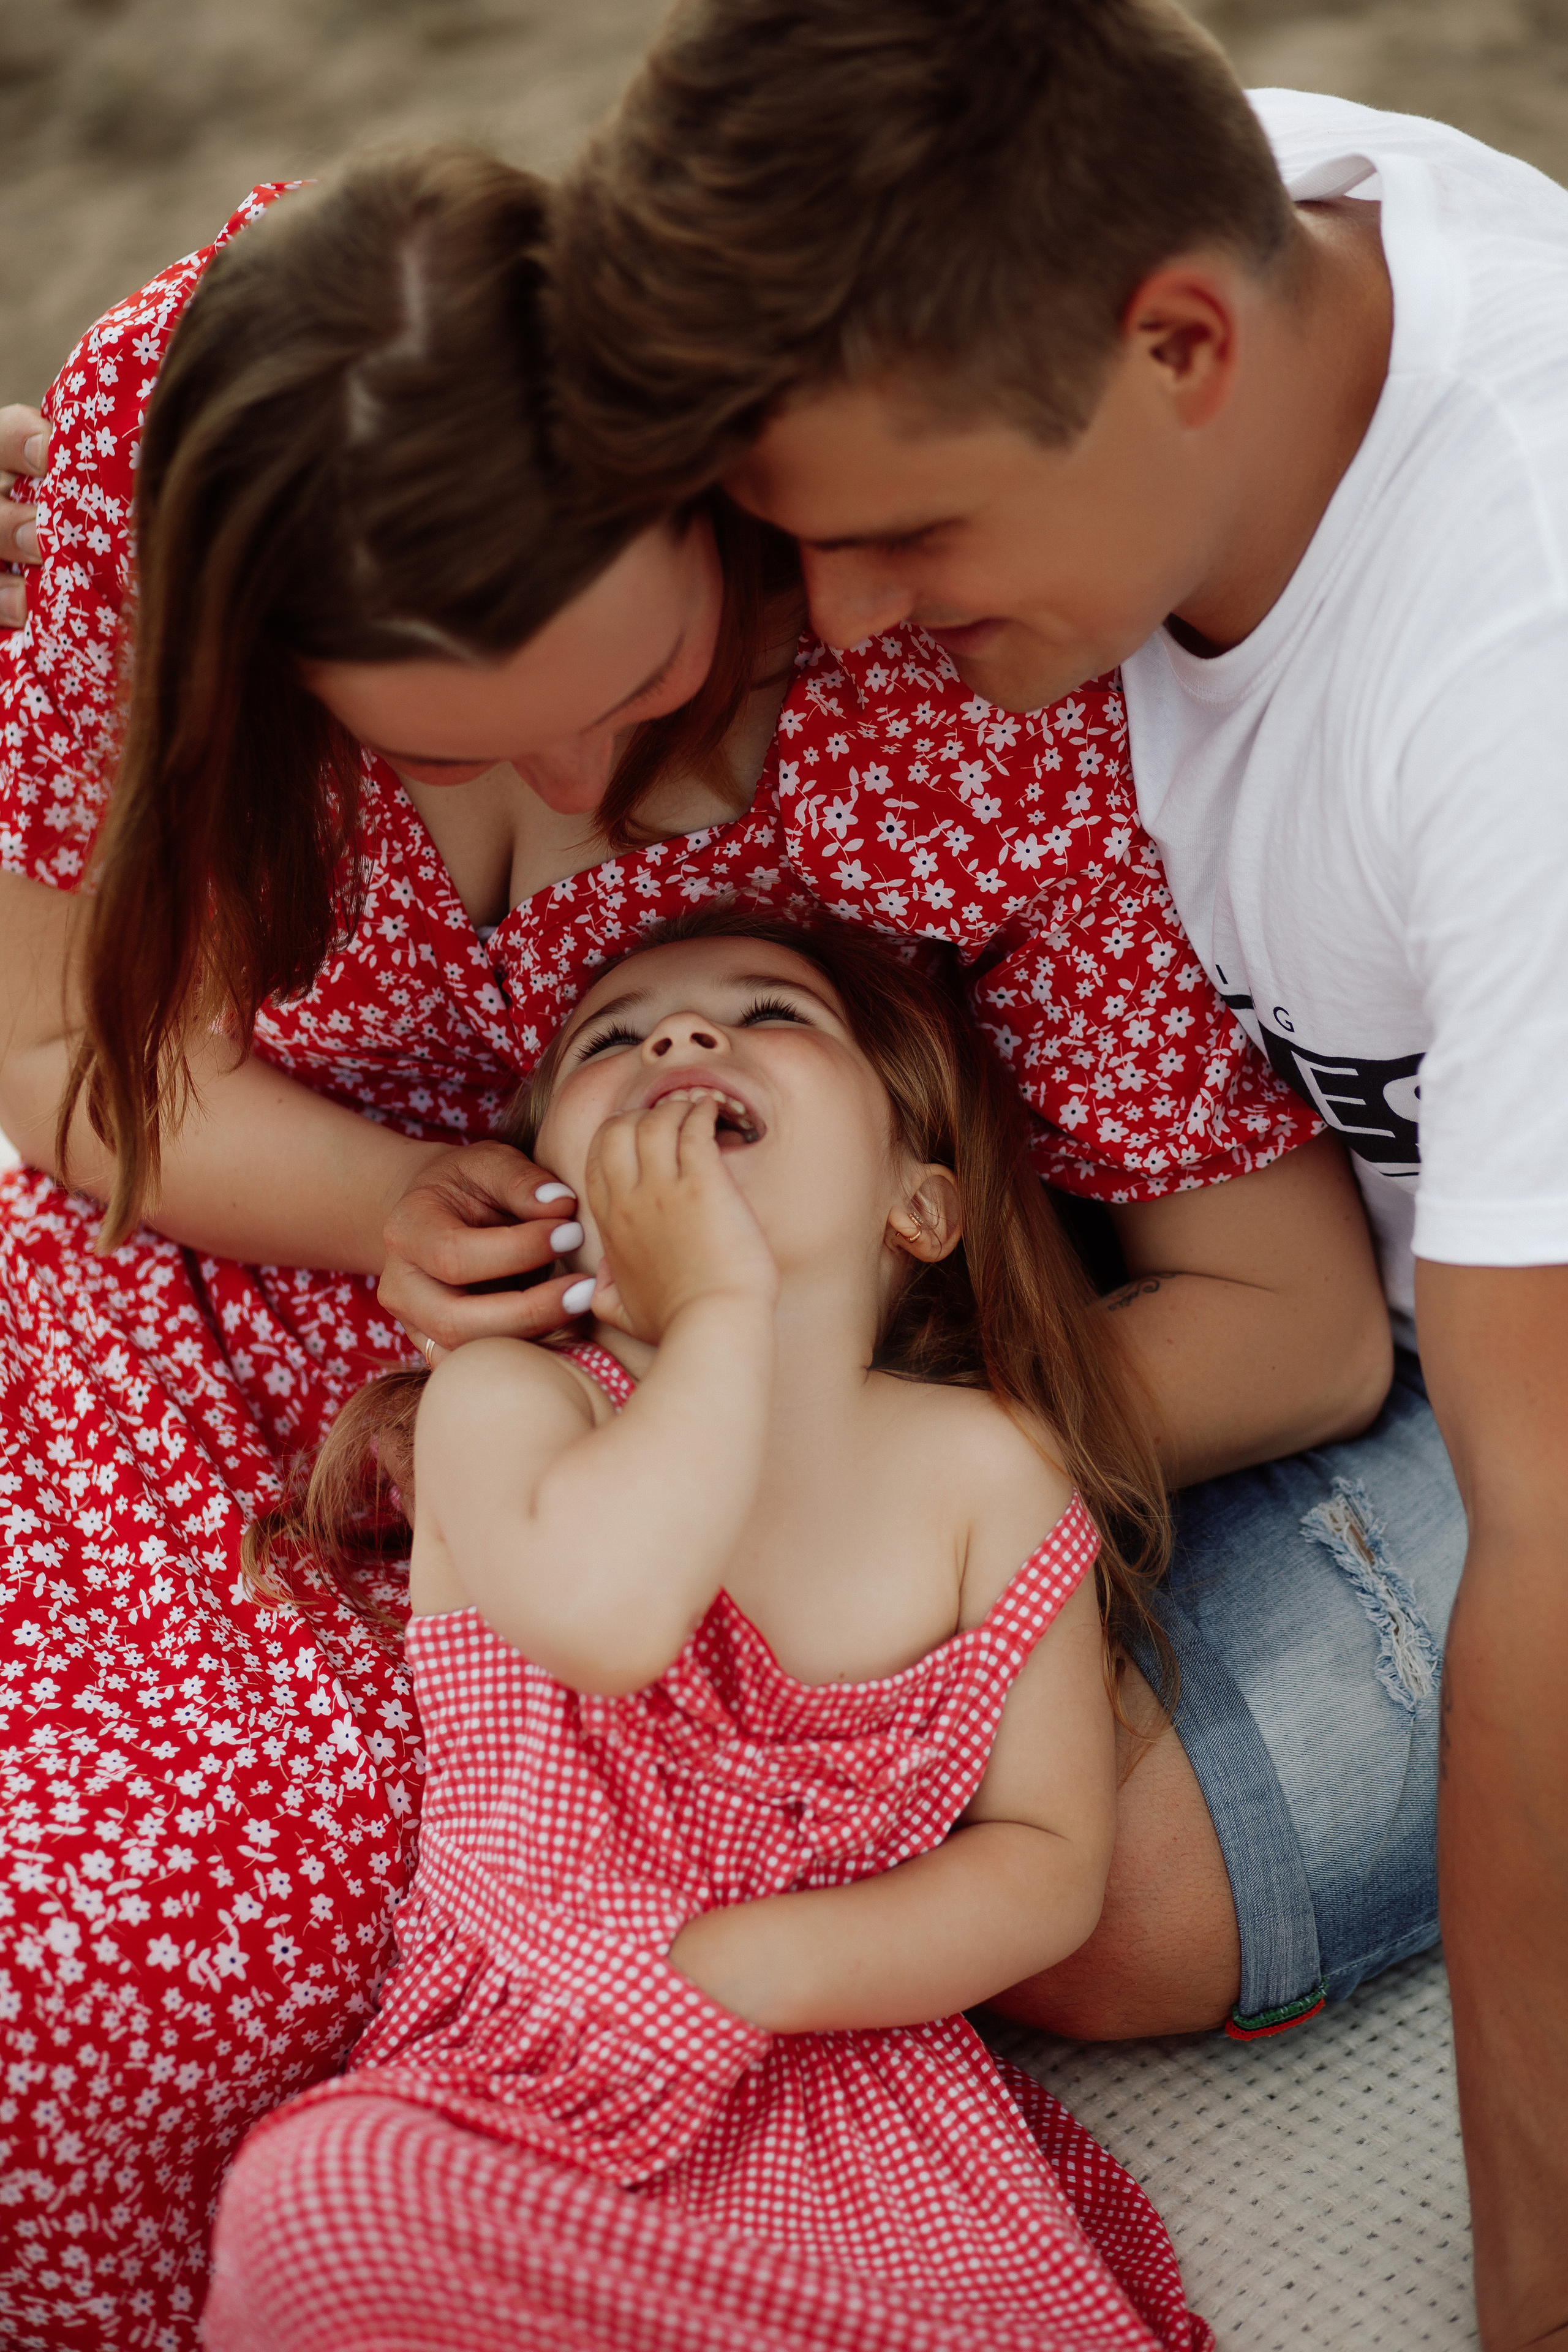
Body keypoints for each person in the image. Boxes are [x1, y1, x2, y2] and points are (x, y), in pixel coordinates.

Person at [0, 147, 1384, 2347]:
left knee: (265, 1945)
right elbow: (69, 1050)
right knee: (70, 1977)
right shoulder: (182, 450)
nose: (572, 782)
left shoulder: (938, 682)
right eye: (440, 748)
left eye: (641, 682)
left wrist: (789, 1413)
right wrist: (383, 1204)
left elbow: (1295, 1325)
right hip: (214, 1291)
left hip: (684, 1430)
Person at [551, 3, 1568, 2343]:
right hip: (1323, 1258)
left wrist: (1533, 2292)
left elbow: (1553, 1526)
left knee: (1077, 1891)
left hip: (1504, 1374)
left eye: (906, 538)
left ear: (1179, 350)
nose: (848, 627)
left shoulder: (1511, 672)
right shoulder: (1131, 220)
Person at [202, 907, 1212, 2352]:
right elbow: (608, 1618)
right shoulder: (513, 1404)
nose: (679, 1037)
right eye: (608, 1044)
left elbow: (1045, 1858)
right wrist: (717, 1307)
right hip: (524, 2090)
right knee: (320, 2192)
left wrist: (754, 1972)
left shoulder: (986, 1469)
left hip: (839, 2086)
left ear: (917, 1206)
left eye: (772, 1015)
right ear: (552, 1215)